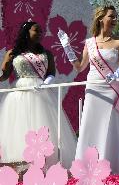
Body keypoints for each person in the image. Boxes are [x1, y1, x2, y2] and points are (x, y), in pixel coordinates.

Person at [62, 6, 119, 174]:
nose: (114, 20)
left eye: (115, 17)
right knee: (91, 125)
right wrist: (67, 48)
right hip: (94, 88)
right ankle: (86, 166)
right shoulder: (90, 43)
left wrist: (117, 74)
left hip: (111, 87)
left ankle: (110, 166)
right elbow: (79, 67)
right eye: (111, 16)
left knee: (110, 126)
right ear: (101, 19)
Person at [0, 21, 76, 166]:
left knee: (44, 126)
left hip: (41, 92)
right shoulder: (13, 53)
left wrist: (45, 83)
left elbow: (51, 73)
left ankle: (47, 163)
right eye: (36, 30)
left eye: (41, 31)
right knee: (19, 126)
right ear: (27, 32)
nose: (40, 33)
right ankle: (19, 163)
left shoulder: (46, 54)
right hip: (19, 93)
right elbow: (4, 74)